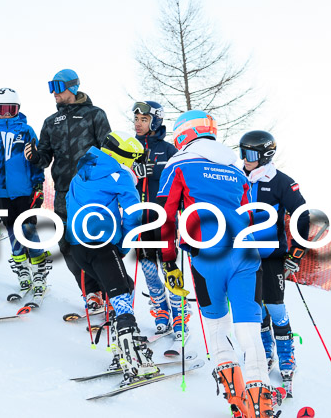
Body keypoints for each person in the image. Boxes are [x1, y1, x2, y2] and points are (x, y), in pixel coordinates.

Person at [157, 111, 281, 417]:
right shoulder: (237, 172)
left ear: (184, 135)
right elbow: (252, 215)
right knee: (249, 330)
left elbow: (164, 215)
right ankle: (260, 405)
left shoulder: (178, 166)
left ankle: (236, 401)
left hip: (206, 255)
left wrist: (169, 262)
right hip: (245, 256)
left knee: (216, 326)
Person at [66, 131, 158, 380]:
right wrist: (122, 245)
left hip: (78, 247)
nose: (136, 167)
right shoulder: (121, 175)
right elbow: (134, 214)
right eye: (135, 160)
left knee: (123, 286)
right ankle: (133, 358)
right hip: (104, 244)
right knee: (121, 295)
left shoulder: (83, 170)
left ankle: (121, 350)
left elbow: (68, 200)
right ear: (125, 157)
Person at [24, 69, 111, 312]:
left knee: (96, 242)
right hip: (63, 192)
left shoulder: (95, 115)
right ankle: (91, 293)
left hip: (91, 190)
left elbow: (108, 149)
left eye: (58, 86)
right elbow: (44, 157)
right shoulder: (51, 122)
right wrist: (34, 156)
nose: (54, 92)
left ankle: (111, 290)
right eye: (51, 87)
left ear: (72, 87)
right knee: (68, 245)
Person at [239, 130, 309, 396]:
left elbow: (302, 216)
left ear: (266, 155)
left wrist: (297, 253)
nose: (246, 158)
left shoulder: (280, 181)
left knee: (275, 306)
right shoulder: (238, 178)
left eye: (252, 154)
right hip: (245, 256)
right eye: (242, 152)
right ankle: (265, 351)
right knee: (256, 308)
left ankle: (287, 355)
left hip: (272, 256)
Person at [0, 88, 48, 300]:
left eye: (11, 109)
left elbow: (36, 162)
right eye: (2, 109)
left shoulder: (26, 131)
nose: (7, 114)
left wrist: (38, 187)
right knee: (12, 230)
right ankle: (23, 270)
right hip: (0, 190)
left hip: (24, 190)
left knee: (28, 228)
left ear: (18, 109)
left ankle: (39, 272)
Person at [131, 101, 189, 339]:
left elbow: (181, 181)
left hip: (164, 219)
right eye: (136, 119)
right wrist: (134, 172)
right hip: (140, 220)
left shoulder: (168, 150)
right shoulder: (130, 147)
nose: (138, 124)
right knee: (148, 268)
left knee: (169, 266)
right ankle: (161, 310)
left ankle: (179, 311)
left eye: (144, 120)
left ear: (155, 121)